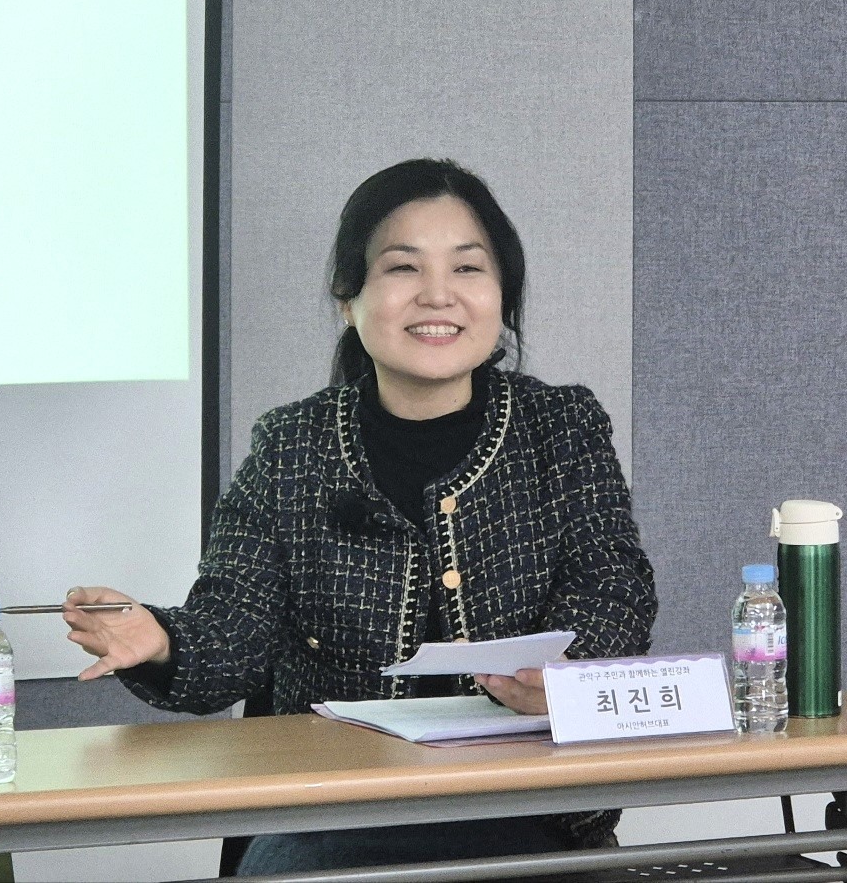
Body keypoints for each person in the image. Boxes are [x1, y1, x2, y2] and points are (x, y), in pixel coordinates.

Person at [62, 157, 658, 873]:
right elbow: (234, 629)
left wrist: (565, 674)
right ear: (348, 298)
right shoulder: (292, 445)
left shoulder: (560, 427)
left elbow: (613, 588)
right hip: (330, 814)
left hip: (527, 809)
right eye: (403, 268)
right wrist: (161, 639)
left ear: (502, 296)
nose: (438, 294)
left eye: (468, 268)